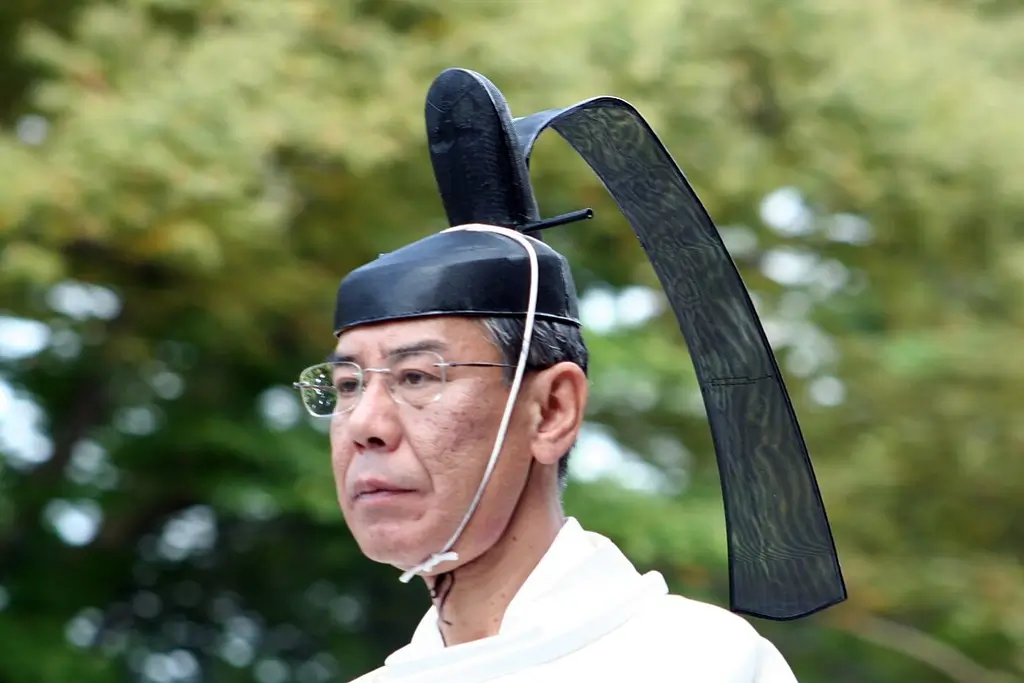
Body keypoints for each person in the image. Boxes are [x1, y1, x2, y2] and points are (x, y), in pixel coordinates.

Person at [294, 69, 846, 683]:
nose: (366, 424)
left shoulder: (698, 662)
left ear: (551, 410)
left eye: (417, 377)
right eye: (347, 385)